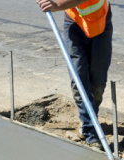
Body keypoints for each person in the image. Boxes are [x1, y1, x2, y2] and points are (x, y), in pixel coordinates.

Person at [37, 0, 113, 150]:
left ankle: (89, 119)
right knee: (78, 79)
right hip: (74, 24)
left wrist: (57, 5)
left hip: (101, 24)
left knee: (97, 85)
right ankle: (91, 132)